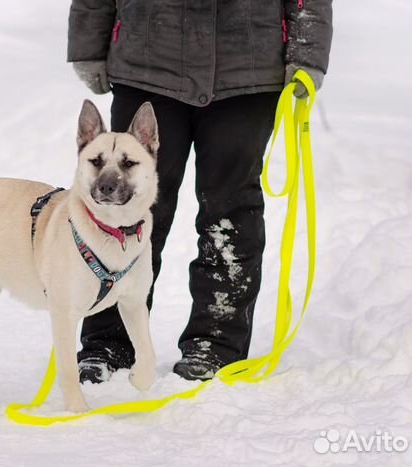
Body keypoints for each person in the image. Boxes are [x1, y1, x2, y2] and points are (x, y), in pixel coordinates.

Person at [67, 0, 332, 382]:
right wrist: (88, 42)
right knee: (122, 213)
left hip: (247, 68)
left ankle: (216, 345)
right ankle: (106, 342)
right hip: (147, 61)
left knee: (230, 212)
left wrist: (307, 51)